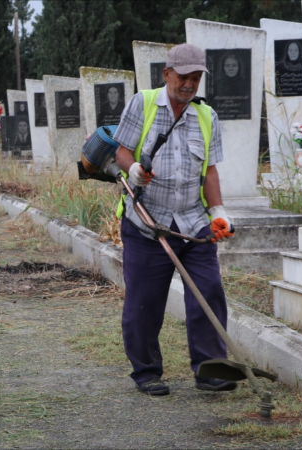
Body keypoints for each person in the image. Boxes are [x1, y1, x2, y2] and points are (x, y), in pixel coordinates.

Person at [113, 43, 236, 396]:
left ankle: (211, 369)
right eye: (183, 76)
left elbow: (209, 170)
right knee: (145, 300)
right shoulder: (144, 103)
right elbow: (121, 149)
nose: (189, 84)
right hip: (147, 222)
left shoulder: (206, 116)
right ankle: (147, 371)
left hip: (192, 221)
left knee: (208, 291)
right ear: (167, 74)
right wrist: (133, 169)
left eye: (195, 77)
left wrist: (218, 212)